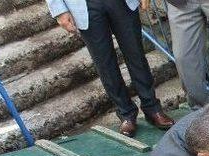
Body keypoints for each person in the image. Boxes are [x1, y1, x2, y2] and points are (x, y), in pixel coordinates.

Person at [46, 0, 175, 137]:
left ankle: (152, 108)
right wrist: (59, 10)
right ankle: (126, 113)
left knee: (136, 54)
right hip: (84, 5)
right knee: (104, 63)